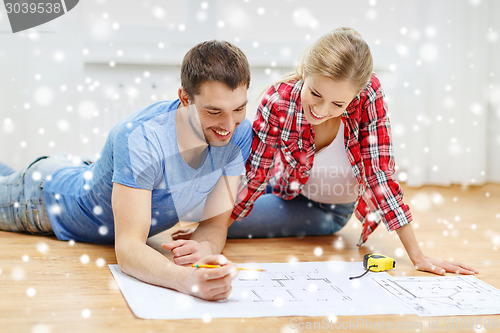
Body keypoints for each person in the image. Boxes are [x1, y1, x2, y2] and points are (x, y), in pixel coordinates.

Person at [0, 40, 253, 300]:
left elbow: (215, 223)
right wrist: (187, 280)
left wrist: (204, 248)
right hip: (42, 199)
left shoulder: (239, 134)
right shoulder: (139, 138)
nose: (228, 125)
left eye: (238, 109)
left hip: (82, 171)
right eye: (214, 111)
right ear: (185, 98)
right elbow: (129, 247)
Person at [226, 27, 478, 276]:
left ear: (355, 95)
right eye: (315, 93)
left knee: (221, 223)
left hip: (325, 210)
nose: (322, 110)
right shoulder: (278, 100)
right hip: (282, 184)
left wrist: (418, 256)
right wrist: (211, 230)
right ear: (305, 73)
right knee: (208, 206)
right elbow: (257, 174)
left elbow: (379, 176)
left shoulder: (369, 97)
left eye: (338, 104)